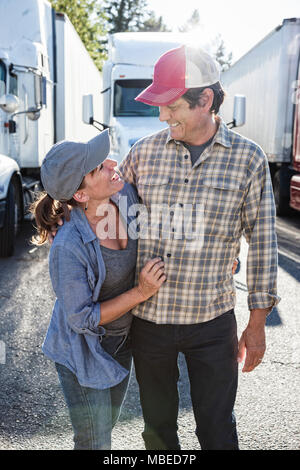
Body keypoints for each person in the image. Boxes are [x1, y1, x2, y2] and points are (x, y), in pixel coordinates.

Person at [116, 45, 280, 450]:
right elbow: (111, 227)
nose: (162, 116)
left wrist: (257, 324)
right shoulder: (142, 154)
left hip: (212, 322)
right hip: (150, 322)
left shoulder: (249, 159)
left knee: (217, 430)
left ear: (205, 99)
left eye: (172, 106)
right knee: (157, 432)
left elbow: (262, 243)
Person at [31, 129, 166, 450]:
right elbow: (81, 319)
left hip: (121, 342)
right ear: (80, 195)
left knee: (103, 430)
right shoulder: (69, 245)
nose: (113, 163)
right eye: (98, 168)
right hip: (83, 350)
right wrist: (140, 293)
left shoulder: (125, 198)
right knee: (95, 440)